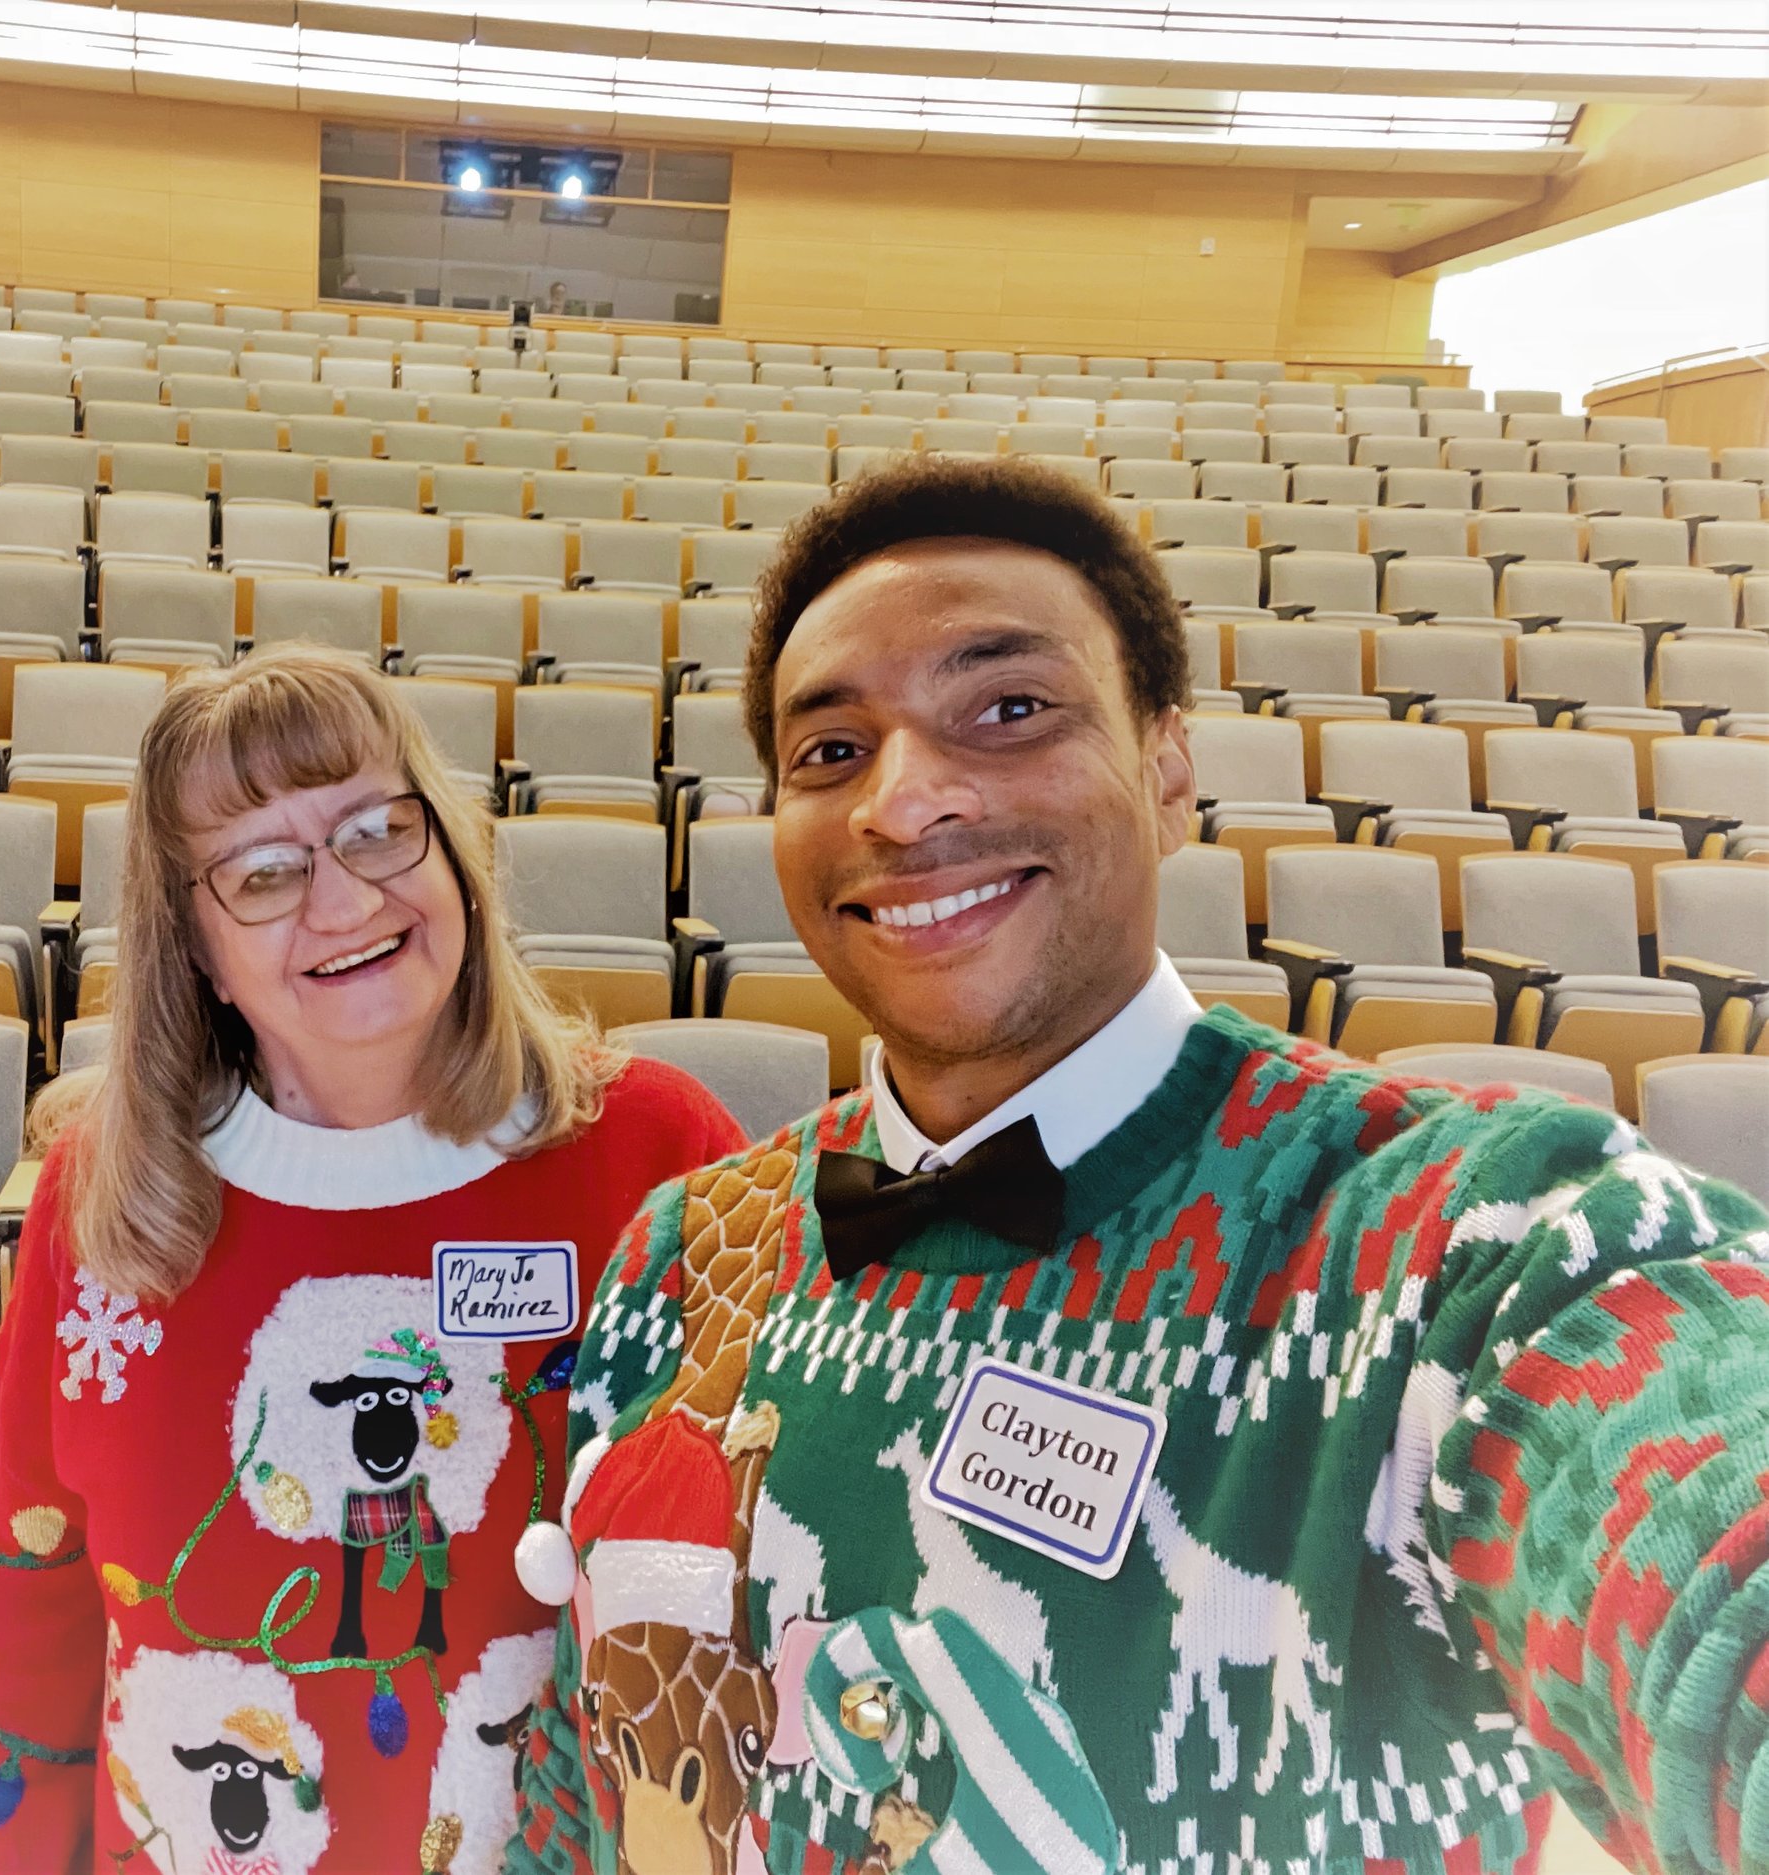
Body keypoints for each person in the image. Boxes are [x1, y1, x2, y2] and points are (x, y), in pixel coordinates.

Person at [505, 455, 1769, 1874]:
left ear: (1168, 769)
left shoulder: (1464, 1236)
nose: (904, 804)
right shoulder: (681, 1255)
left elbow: (1703, 1519)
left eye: (1009, 707)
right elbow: (583, 1774)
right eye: (832, 750)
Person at [0, 646, 746, 1874]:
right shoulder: (99, 1192)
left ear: (454, 852)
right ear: (197, 949)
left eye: (379, 830)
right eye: (262, 873)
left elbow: (757, 1564)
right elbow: (22, 1590)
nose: (343, 900)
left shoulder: (653, 1152)